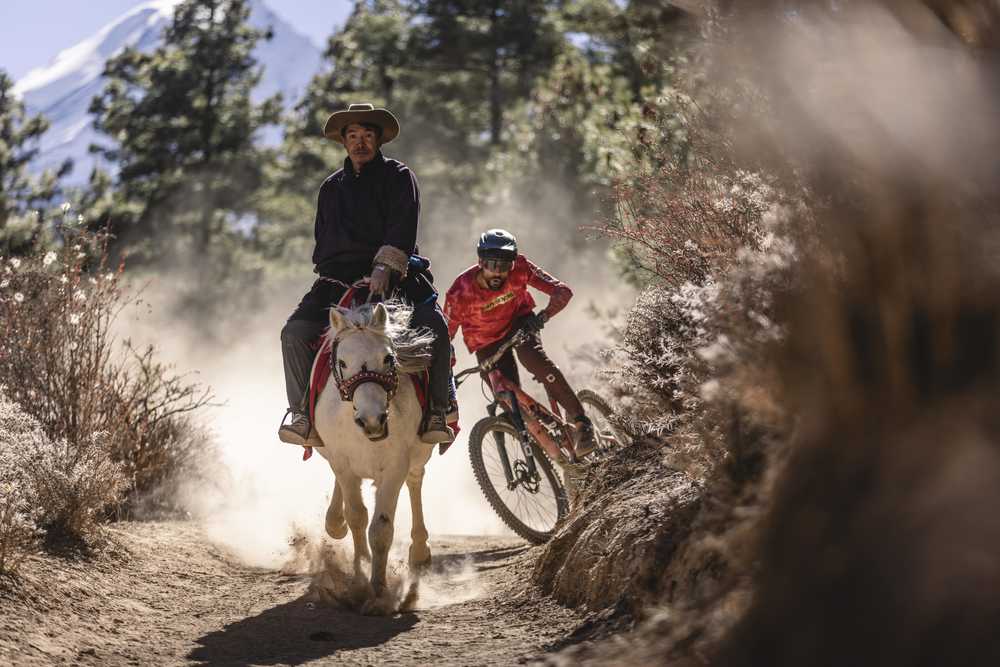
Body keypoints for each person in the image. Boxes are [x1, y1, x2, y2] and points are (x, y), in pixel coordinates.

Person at [278, 103, 454, 446]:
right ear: (344, 142)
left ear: (378, 140)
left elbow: (402, 229)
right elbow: (323, 241)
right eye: (353, 136)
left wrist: (383, 266)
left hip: (395, 278)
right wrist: (335, 275)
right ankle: (301, 414)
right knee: (293, 333)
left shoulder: (400, 177)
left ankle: (436, 409)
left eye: (367, 136)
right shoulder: (330, 188)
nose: (360, 143)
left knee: (436, 328)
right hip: (337, 282)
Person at [444, 229, 597, 457]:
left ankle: (582, 424)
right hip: (486, 343)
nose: (498, 272)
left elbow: (562, 291)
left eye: (504, 266)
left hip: (520, 323)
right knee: (508, 399)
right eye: (491, 265)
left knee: (534, 360)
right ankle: (553, 455)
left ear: (513, 264)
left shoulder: (522, 268)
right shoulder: (459, 292)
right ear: (480, 262)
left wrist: (543, 317)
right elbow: (445, 335)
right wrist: (444, 370)